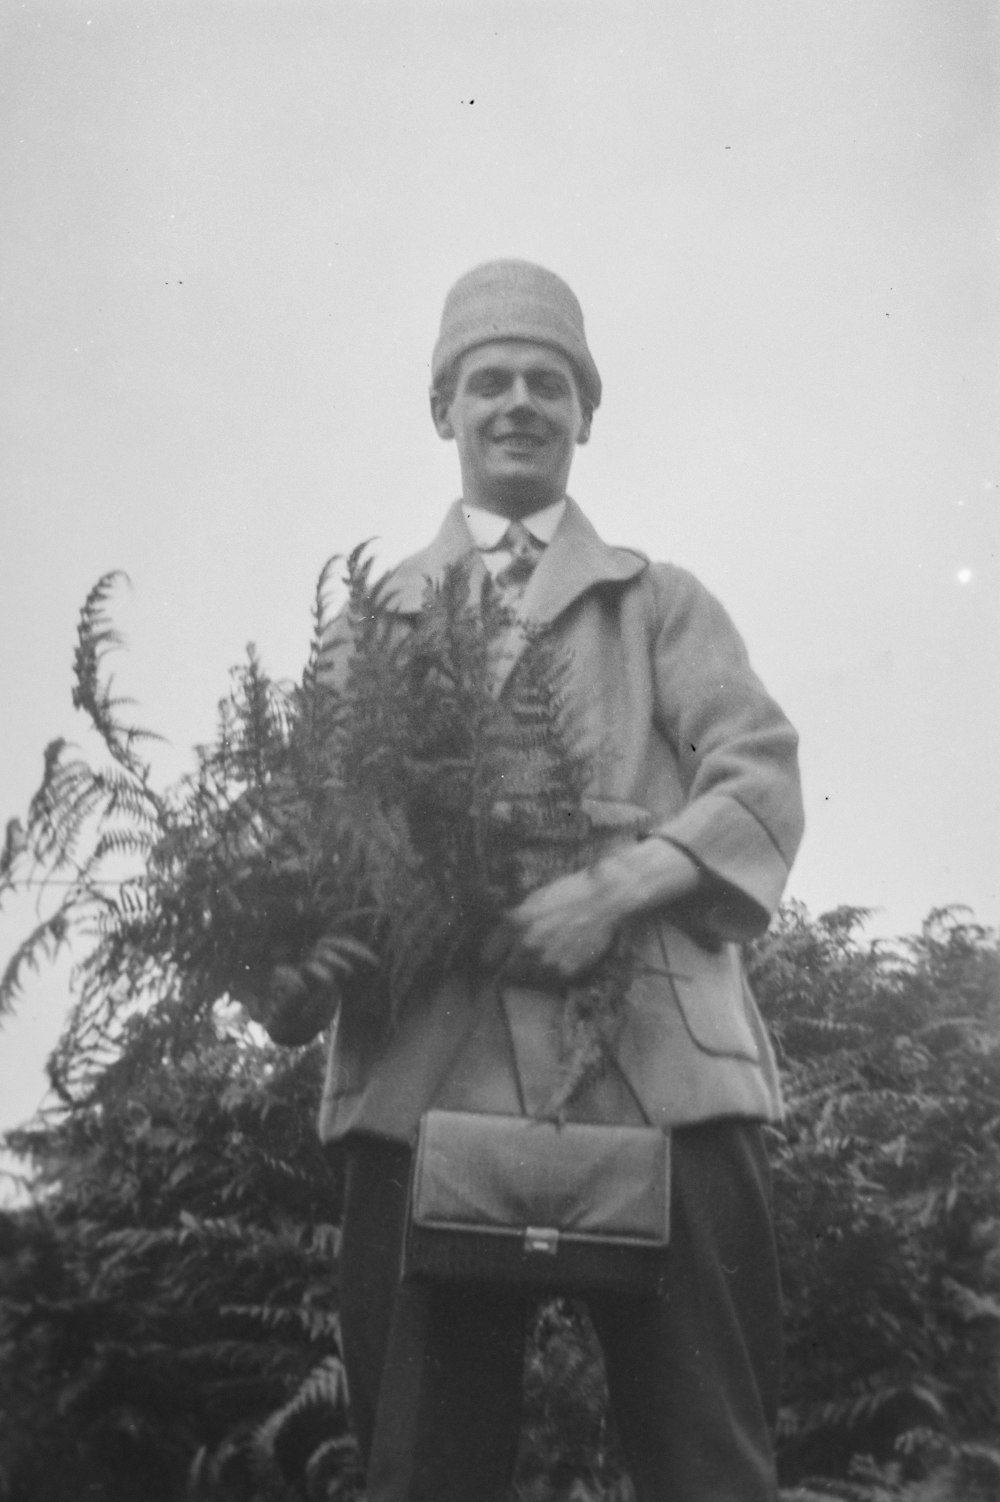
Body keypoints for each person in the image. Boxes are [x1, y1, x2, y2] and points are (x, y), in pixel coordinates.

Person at [279, 260, 804, 1502]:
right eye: (488, 379)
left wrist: (612, 891)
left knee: (710, 1462)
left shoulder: (659, 603)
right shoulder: (367, 623)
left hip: (660, 1068)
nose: (518, 401)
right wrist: (283, 959)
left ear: (584, 411)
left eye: (547, 381)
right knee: (424, 1468)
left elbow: (763, 779)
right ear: (442, 409)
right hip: (425, 1070)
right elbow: (303, 841)